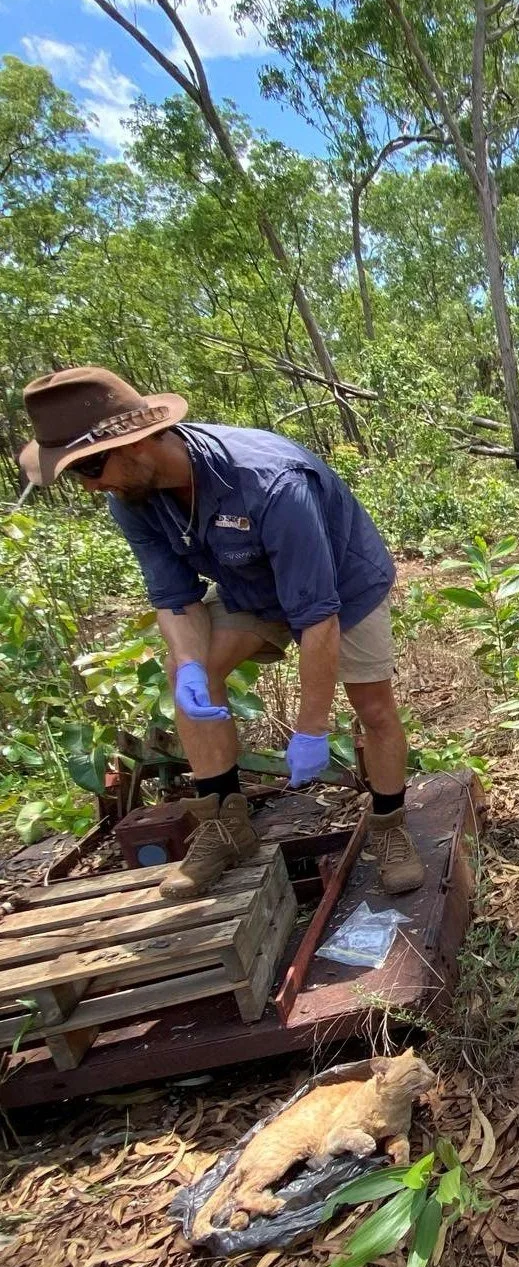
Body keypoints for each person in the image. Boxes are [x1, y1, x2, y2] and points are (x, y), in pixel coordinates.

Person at [18, 368, 424, 900]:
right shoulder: (130, 499)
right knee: (189, 671)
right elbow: (174, 598)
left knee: (372, 706)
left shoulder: (271, 481)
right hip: (249, 588)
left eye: (93, 465)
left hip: (341, 587)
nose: (93, 485)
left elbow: (317, 614)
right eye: (78, 475)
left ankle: (390, 826)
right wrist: (189, 664)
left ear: (140, 439)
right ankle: (225, 824)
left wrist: (310, 727)